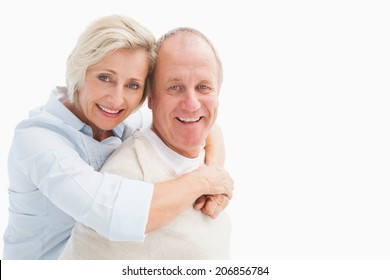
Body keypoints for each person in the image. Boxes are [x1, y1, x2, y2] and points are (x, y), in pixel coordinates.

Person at [3, 15, 233, 260]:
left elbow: (204, 127)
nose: (116, 99)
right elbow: (113, 213)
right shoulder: (38, 141)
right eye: (105, 78)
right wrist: (205, 181)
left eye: (132, 85)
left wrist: (216, 176)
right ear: (79, 71)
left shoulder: (121, 120)